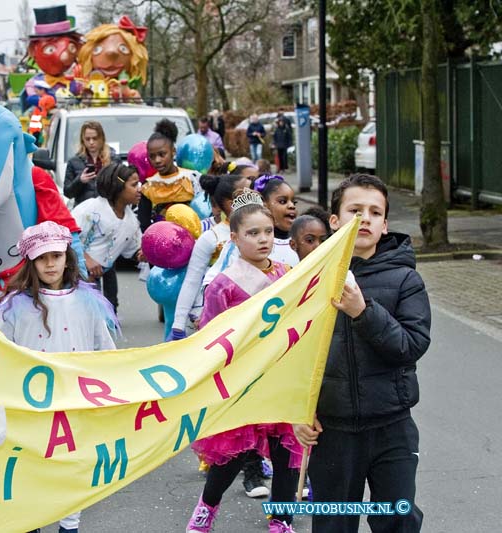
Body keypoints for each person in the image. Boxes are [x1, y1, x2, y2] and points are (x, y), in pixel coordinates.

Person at [293, 174, 430, 533]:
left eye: (374, 212)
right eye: (355, 210)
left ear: (385, 225)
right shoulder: (309, 280)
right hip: (332, 430)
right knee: (334, 523)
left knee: (397, 517)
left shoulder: (405, 280)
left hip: (392, 425)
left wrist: (363, 312)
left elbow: (411, 345)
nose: (364, 218)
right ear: (335, 220)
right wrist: (297, 412)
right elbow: (290, 354)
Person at [0, 221, 119, 533]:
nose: (50, 264)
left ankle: (69, 526)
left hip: (75, 399)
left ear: (67, 257)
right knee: (31, 464)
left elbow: (106, 350)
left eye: (56, 256)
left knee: (72, 467)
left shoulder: (88, 302)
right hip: (29, 403)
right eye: (41, 258)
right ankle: (30, 522)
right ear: (31, 262)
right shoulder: (13, 307)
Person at [187, 190, 301, 533]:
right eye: (252, 233)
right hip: (241, 381)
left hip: (281, 377)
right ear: (234, 239)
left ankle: (281, 520)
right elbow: (212, 338)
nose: (263, 239)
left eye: (267, 231)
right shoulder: (223, 285)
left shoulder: (287, 273)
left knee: (287, 454)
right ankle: (207, 507)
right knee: (232, 453)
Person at [170, 174, 248, 339]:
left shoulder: (263, 231)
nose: (253, 197)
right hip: (217, 315)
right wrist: (178, 325)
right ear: (228, 203)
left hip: (252, 311)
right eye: (246, 194)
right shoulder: (211, 237)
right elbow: (192, 280)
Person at [71, 164, 143, 312]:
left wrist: (144, 254)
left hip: (92, 279)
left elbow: (133, 250)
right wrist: (86, 259)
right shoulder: (91, 209)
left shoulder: (131, 221)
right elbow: (65, 234)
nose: (140, 189)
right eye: (134, 184)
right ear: (118, 187)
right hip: (71, 275)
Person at [138, 119, 202, 232]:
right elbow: (144, 224)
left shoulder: (192, 178)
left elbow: (202, 213)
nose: (157, 160)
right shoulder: (148, 186)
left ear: (173, 151)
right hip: (160, 242)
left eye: (162, 154)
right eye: (152, 156)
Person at [63, 121, 115, 205]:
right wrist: (80, 181)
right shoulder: (74, 162)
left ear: (101, 138)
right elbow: (67, 193)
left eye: (95, 138)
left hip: (108, 209)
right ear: (82, 140)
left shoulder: (113, 159)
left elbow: (123, 185)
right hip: (84, 211)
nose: (91, 142)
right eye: (87, 139)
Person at [254, 175, 298, 266]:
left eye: (294, 202)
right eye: (283, 201)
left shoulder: (301, 241)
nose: (291, 206)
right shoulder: (256, 245)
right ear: (264, 206)